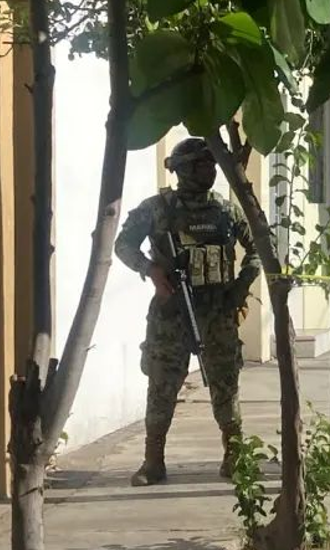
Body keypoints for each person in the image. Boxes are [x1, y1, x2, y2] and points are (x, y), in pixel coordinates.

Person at [115, 138, 260, 486]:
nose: (208, 171)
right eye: (200, 165)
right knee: (162, 385)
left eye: (211, 165)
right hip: (172, 313)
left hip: (217, 311)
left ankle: (234, 455)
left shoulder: (225, 211)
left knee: (225, 384)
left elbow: (258, 249)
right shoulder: (156, 209)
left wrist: (240, 287)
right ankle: (153, 460)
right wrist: (151, 270)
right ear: (181, 170)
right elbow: (123, 244)